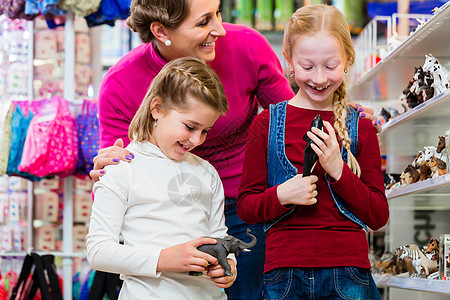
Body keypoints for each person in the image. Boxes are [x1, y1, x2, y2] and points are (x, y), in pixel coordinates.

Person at [90, 0, 380, 298]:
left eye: (218, 12)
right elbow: (121, 162)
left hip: (248, 208)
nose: (219, 29)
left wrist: (343, 117)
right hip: (174, 211)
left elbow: (295, 115)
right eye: (204, 21)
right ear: (161, 30)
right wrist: (109, 167)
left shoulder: (246, 46)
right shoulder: (121, 83)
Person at [237, 5, 389, 300]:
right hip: (283, 273)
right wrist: (281, 195)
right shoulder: (266, 123)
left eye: (330, 66)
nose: (319, 78)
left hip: (349, 273)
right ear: (289, 61)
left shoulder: (362, 127)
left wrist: (338, 171)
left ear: (347, 60)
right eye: (307, 67)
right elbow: (246, 206)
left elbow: (378, 215)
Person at [86, 57, 235, 299]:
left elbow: (219, 235)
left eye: (205, 131)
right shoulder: (122, 168)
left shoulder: (207, 172)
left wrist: (227, 263)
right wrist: (163, 259)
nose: (197, 140)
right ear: (157, 109)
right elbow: (98, 251)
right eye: (189, 126)